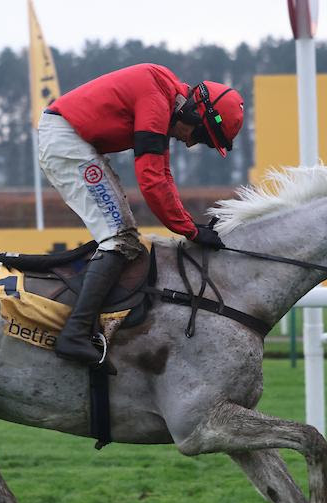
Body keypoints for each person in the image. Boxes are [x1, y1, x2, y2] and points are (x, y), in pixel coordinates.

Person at [37, 63, 245, 364]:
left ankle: (86, 323)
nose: (189, 142)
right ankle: (74, 333)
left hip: (71, 139)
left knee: (124, 238)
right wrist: (190, 230)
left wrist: (190, 225)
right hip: (66, 140)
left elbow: (163, 174)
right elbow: (151, 180)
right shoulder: (157, 98)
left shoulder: (164, 93)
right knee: (119, 239)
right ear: (194, 113)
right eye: (199, 137)